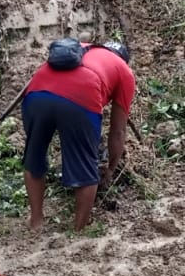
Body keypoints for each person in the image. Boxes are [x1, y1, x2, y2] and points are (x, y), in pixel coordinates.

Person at [21, 39, 135, 231]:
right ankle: (78, 230)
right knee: (85, 166)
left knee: (34, 158)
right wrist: (110, 169)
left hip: (36, 95)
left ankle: (36, 221)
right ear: (124, 59)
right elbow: (118, 131)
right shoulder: (123, 70)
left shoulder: (81, 47)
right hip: (80, 99)